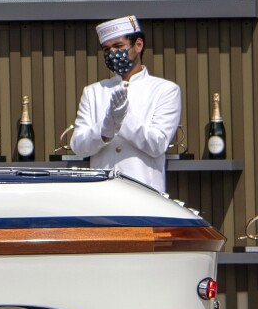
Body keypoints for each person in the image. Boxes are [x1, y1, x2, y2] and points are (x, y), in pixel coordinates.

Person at [70, 15, 181, 192]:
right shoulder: (93, 92)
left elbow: (157, 144)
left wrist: (123, 119)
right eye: (106, 49)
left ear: (138, 45)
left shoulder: (164, 90)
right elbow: (78, 146)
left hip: (145, 193)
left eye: (118, 46)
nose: (112, 53)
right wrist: (104, 132)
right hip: (101, 195)